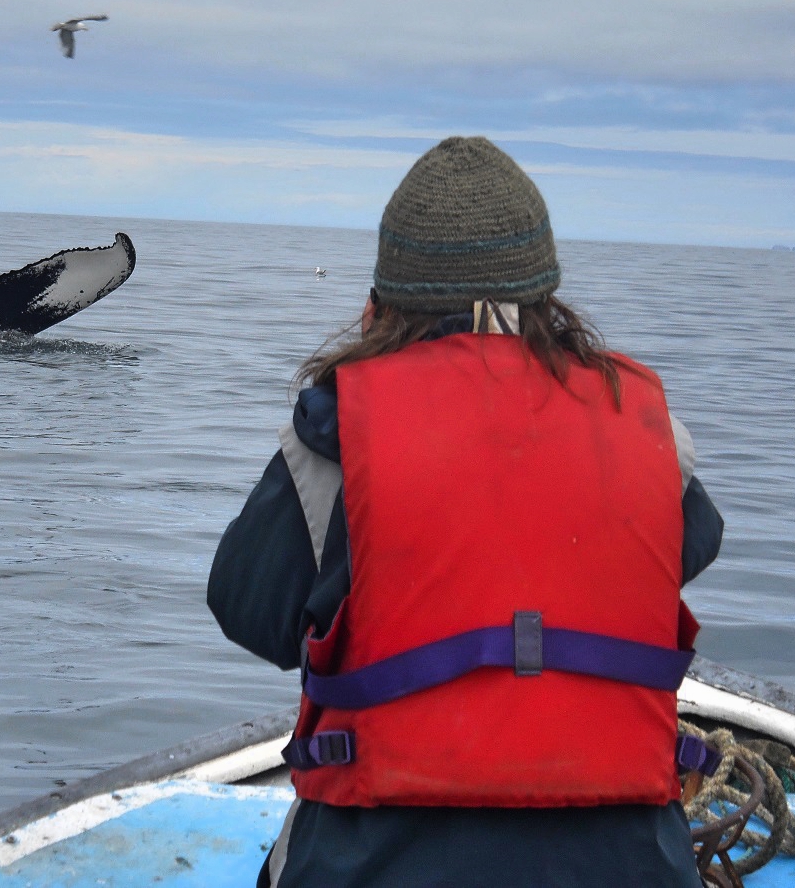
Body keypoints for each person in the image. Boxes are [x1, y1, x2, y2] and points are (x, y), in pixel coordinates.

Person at [208, 136, 725, 888]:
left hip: (380, 860)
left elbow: (248, 609)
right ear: (546, 299)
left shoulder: (337, 438)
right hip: (628, 864)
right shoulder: (646, 432)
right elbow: (694, 545)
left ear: (379, 308)